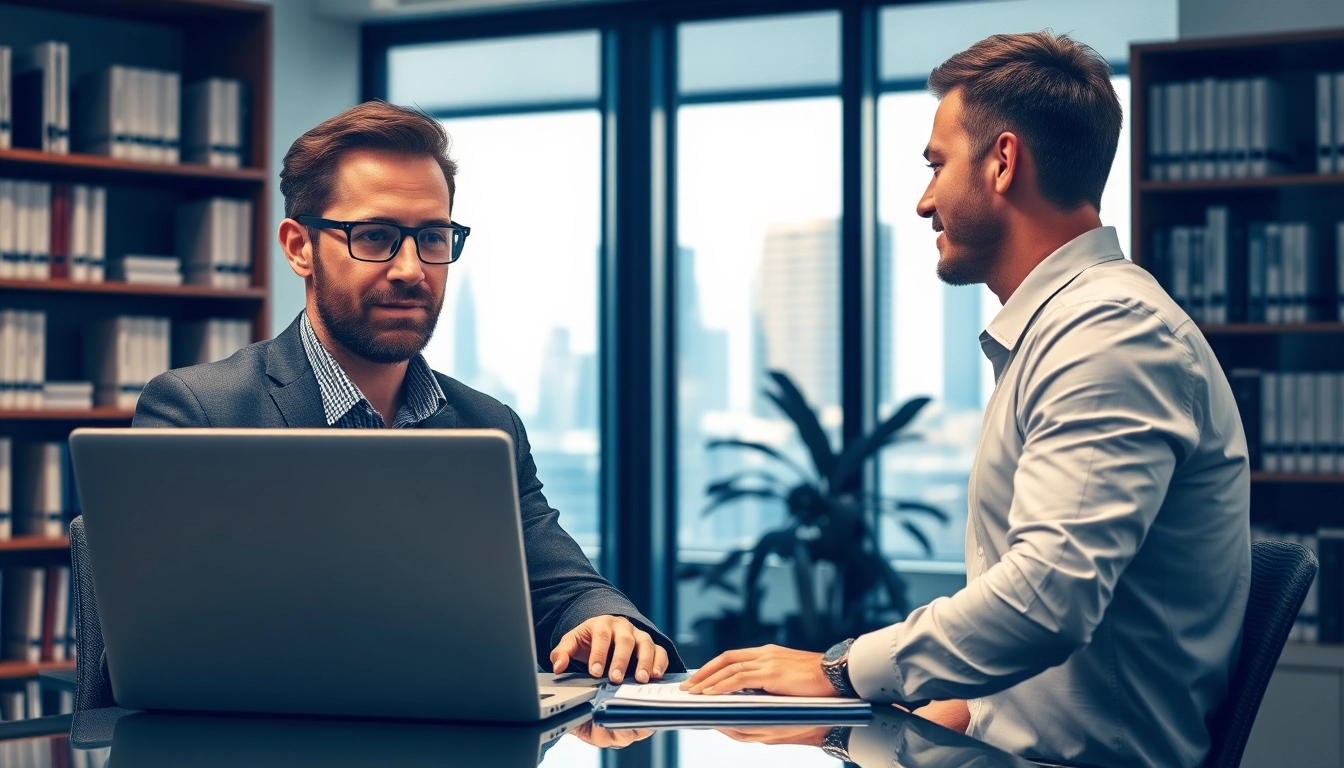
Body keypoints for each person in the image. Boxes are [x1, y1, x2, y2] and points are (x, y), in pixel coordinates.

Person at [683, 31, 1250, 768]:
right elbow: (1038, 661)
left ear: (1003, 162)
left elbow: (1045, 600)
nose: (924, 201)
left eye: (936, 165)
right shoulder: (1066, 329)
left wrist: (834, 672)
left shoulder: (1108, 333)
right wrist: (849, 727)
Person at [134, 100, 683, 685]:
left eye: (432, 237)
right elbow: (152, 643)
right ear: (300, 248)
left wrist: (603, 621)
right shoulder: (200, 412)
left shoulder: (486, 425)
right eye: (374, 237)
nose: (410, 269)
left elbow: (564, 586)